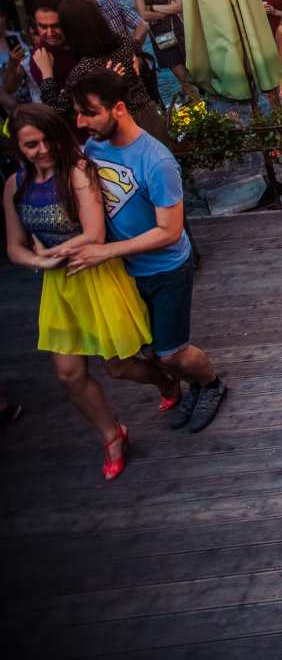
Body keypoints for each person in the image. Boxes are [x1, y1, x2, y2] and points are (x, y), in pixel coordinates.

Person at [66, 71, 228, 434]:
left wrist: (106, 252)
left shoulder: (157, 161)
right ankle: (193, 386)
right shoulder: (93, 148)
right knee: (153, 349)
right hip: (126, 272)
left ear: (119, 109)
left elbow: (169, 232)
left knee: (173, 351)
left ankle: (213, 383)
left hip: (166, 270)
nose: (81, 122)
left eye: (89, 113)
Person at [4, 104, 158, 481]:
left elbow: (93, 234)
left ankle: (165, 379)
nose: (39, 150)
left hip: (94, 271)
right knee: (69, 374)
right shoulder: (14, 185)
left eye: (44, 141)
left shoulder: (78, 172)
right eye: (29, 145)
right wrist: (42, 263)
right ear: (18, 148)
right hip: (59, 283)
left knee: (118, 365)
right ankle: (111, 435)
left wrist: (49, 253)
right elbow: (14, 247)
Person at [41, 0, 169, 146]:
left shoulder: (84, 70)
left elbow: (56, 111)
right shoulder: (125, 43)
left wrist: (46, 75)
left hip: (123, 130)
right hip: (149, 117)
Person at [130, 0, 194, 101]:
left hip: (178, 30)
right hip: (161, 37)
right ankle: (199, 107)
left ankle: (195, 100)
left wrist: (153, 8)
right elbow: (144, 14)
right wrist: (167, 9)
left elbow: (180, 6)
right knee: (182, 77)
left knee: (193, 71)